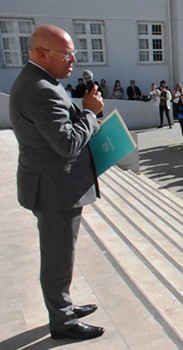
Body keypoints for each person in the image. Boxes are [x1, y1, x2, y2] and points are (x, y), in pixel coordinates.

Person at [9, 24, 105, 340]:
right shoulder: (40, 89)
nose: (73, 61)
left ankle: (62, 305)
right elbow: (66, 144)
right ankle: (62, 321)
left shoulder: (44, 81)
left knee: (60, 253)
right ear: (41, 53)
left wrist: (85, 113)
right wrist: (90, 114)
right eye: (66, 54)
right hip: (53, 190)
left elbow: (61, 126)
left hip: (53, 185)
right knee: (57, 256)